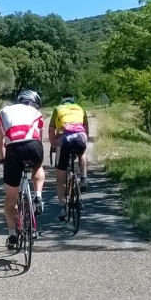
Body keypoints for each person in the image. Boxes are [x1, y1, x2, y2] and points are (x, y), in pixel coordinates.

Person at [0, 89, 46, 250]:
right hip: (34, 146)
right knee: (37, 166)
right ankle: (37, 195)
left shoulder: (4, 111)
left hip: (13, 150)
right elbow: (40, 137)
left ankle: (11, 235)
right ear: (33, 103)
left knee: (10, 199)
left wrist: (2, 159)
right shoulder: (36, 112)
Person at [49, 93, 89, 222]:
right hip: (80, 137)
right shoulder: (81, 108)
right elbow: (86, 129)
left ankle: (62, 207)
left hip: (64, 139)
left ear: (63, 102)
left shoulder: (58, 109)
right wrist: (83, 142)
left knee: (60, 177)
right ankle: (84, 178)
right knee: (82, 153)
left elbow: (51, 130)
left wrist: (54, 145)